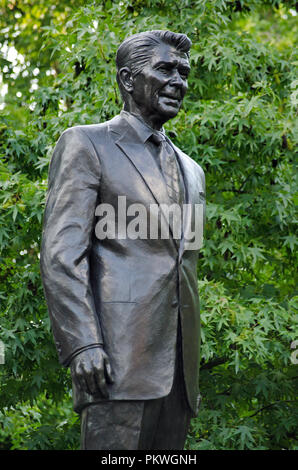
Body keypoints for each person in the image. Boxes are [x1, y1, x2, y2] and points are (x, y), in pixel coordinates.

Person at [40, 30, 205, 450]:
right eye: (165, 69)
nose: (178, 81)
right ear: (128, 80)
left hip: (179, 373)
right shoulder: (87, 144)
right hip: (113, 362)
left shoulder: (193, 170)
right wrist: (83, 343)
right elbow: (61, 255)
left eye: (183, 72)